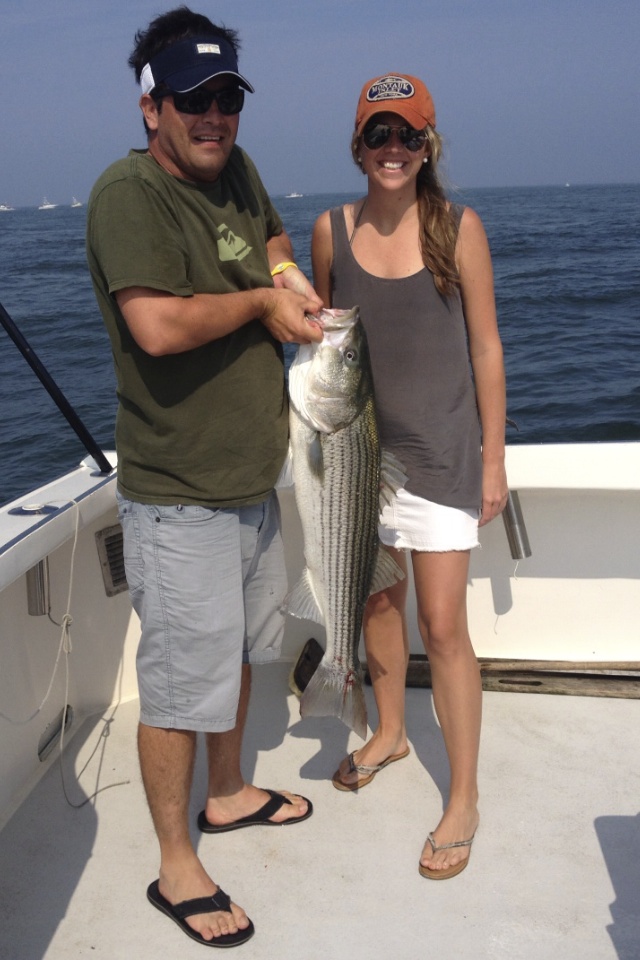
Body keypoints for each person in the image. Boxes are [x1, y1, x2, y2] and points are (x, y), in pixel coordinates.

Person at [87, 7, 323, 948]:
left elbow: (269, 239)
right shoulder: (126, 196)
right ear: (153, 107)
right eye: (193, 99)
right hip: (176, 493)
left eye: (227, 98)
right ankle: (176, 862)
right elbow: (155, 325)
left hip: (252, 481)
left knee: (232, 658)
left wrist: (290, 278)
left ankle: (226, 795)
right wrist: (264, 302)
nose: (213, 116)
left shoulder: (238, 171)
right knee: (182, 682)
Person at [311, 73, 508, 880]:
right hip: (359, 456)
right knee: (375, 599)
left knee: (444, 624)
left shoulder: (457, 227)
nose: (393, 150)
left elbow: (487, 348)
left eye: (408, 136)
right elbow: (317, 333)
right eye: (378, 135)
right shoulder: (330, 228)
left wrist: (494, 456)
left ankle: (462, 797)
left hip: (442, 454)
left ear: (428, 146)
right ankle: (389, 730)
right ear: (357, 145)